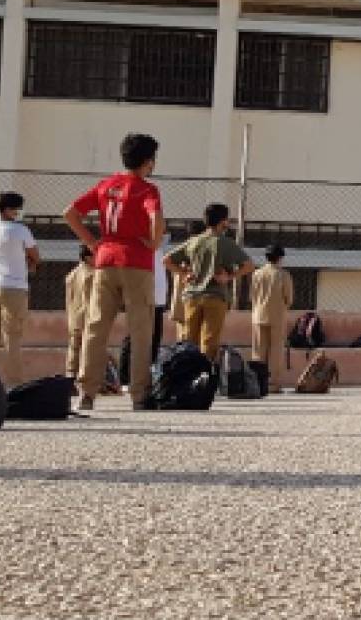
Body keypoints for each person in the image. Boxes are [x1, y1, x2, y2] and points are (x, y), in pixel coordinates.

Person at [65, 133, 165, 412]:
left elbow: (70, 213)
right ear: (148, 162)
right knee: (140, 330)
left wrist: (92, 242)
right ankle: (138, 393)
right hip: (136, 261)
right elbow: (155, 218)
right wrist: (155, 243)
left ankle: (87, 391)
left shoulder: (105, 185)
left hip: (106, 259)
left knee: (96, 327)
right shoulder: (147, 189)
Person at [165, 203, 253, 364]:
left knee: (189, 341)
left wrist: (184, 273)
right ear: (223, 222)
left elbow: (168, 260)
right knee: (210, 341)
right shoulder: (225, 243)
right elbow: (248, 265)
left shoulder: (194, 242)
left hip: (192, 296)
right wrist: (230, 276)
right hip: (215, 296)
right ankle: (205, 377)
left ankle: (187, 376)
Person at [0, 191, 38, 386]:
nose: (19, 212)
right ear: (9, 210)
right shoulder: (20, 230)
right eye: (17, 209)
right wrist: (30, 262)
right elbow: (34, 254)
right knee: (12, 335)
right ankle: (14, 382)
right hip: (13, 286)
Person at [249, 245, 292, 392]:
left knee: (258, 351)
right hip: (277, 316)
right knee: (276, 351)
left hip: (258, 315)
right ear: (280, 258)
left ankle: (256, 383)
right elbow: (289, 298)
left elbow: (252, 296)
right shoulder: (283, 275)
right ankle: (273, 384)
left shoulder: (257, 274)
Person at [63, 244, 96, 387]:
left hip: (74, 316)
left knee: (74, 348)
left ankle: (70, 377)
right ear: (88, 258)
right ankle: (86, 380)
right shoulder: (91, 275)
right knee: (86, 349)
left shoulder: (72, 274)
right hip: (86, 316)